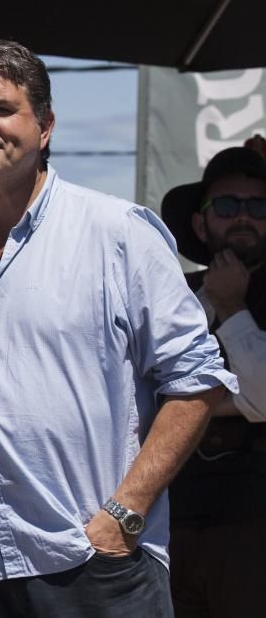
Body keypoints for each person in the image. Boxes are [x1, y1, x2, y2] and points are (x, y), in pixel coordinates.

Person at [0, 40, 237, 618]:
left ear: (45, 127)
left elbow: (197, 380)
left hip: (93, 563)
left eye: (0, 108)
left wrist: (123, 515)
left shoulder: (117, 232)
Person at [160, 144, 266, 617]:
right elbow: (148, 394)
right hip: (172, 520)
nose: (243, 217)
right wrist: (230, 401)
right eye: (226, 206)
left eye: (258, 206)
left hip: (254, 526)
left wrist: (233, 308)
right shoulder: (173, 294)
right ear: (201, 224)